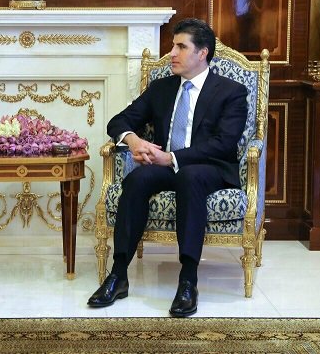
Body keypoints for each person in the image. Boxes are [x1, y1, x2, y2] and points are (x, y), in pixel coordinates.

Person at [87, 18, 248, 317]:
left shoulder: (231, 92)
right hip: (164, 164)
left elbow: (224, 144)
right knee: (135, 181)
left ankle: (188, 281)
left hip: (208, 167)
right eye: (173, 46)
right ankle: (118, 275)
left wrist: (172, 159)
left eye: (180, 46)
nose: (172, 53)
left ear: (202, 53)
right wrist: (134, 141)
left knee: (188, 176)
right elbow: (118, 122)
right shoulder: (161, 88)